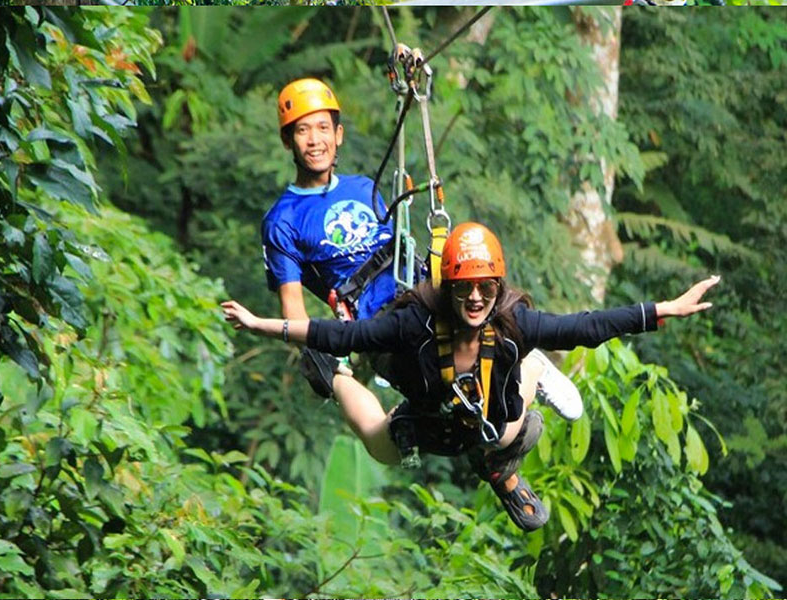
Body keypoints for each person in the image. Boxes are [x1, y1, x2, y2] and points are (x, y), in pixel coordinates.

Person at [223, 222, 720, 531]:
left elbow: (583, 327)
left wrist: (662, 311)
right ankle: (333, 380)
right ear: (450, 287)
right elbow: (341, 335)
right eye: (465, 288)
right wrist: (263, 325)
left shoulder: (511, 325)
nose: (477, 298)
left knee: (511, 429)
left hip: (489, 409)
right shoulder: (412, 323)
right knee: (381, 445)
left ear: (497, 286)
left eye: (486, 287)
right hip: (435, 409)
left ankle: (531, 368)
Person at [263, 77, 582, 422]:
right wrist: (324, 346)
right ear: (287, 140)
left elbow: (395, 244)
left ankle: (529, 361)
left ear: (338, 135)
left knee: (477, 303)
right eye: (303, 131)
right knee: (434, 385)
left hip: (416, 282)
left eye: (323, 128)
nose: (315, 140)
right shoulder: (283, 219)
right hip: (375, 316)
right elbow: (292, 309)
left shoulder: (362, 188)